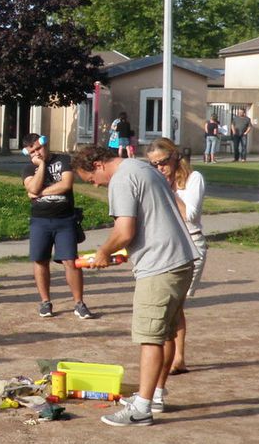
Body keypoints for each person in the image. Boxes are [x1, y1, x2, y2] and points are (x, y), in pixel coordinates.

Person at [72, 144, 196, 427]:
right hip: (179, 259)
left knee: (150, 336)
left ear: (99, 165)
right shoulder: (139, 167)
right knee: (164, 333)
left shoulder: (121, 178)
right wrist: (123, 253)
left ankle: (141, 409)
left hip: (160, 266)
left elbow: (124, 230)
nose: (95, 185)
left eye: (91, 179)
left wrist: (103, 253)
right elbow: (152, 221)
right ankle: (154, 396)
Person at [146, 137, 206, 376]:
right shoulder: (157, 181)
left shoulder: (193, 179)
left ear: (175, 156)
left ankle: (176, 357)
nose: (160, 168)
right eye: (154, 165)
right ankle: (175, 356)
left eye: (163, 162)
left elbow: (190, 215)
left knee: (174, 306)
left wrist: (169, 190)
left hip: (191, 245)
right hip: (168, 246)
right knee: (174, 307)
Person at [21, 133, 92, 319]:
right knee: (40, 260)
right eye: (32, 151)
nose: (37, 153)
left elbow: (66, 184)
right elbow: (31, 188)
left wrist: (39, 193)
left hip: (65, 220)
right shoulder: (29, 168)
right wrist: (41, 166)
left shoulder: (63, 160)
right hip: (40, 221)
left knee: (71, 261)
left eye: (39, 148)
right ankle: (45, 302)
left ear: (45, 143)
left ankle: (79, 303)